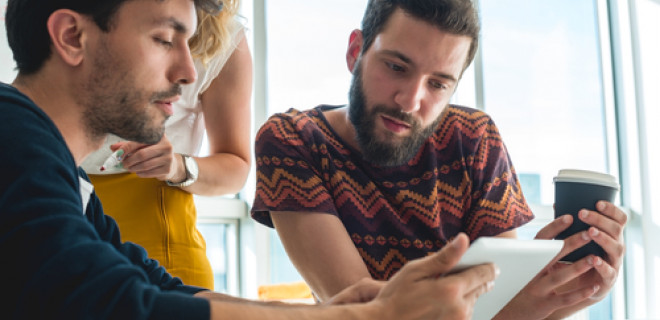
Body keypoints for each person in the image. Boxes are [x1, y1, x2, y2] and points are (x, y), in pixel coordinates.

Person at [0, 0, 501, 319]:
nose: (188, 70)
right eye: (163, 39)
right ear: (71, 36)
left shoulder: (65, 179)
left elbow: (157, 288)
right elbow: (116, 306)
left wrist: (349, 310)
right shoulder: (12, 137)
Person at [250, 0, 627, 319]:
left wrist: (571, 291)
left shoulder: (474, 139)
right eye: (396, 67)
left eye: (438, 84)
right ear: (355, 53)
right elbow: (369, 312)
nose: (410, 102)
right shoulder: (293, 141)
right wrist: (525, 308)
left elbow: (496, 294)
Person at [80, 0, 251, 290]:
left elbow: (236, 166)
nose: (186, 72)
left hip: (163, 252)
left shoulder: (223, 40)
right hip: (64, 234)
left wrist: (178, 167)